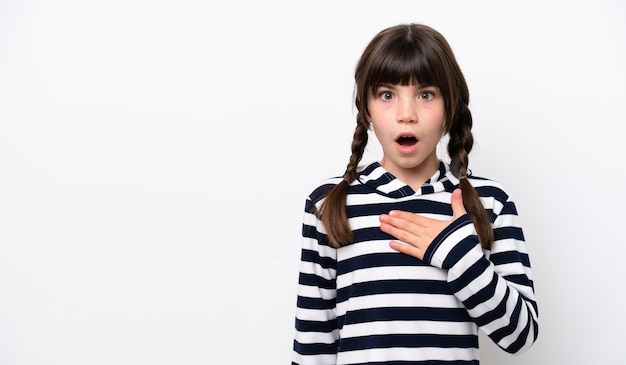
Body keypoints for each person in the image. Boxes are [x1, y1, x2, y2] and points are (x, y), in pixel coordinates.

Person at [291, 23, 539, 365]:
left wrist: (458, 255)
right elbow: (313, 345)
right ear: (365, 109)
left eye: (426, 94)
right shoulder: (329, 203)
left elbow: (521, 336)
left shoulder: (489, 202)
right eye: (386, 95)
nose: (406, 114)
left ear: (450, 108)